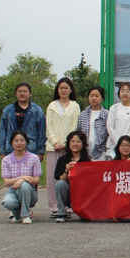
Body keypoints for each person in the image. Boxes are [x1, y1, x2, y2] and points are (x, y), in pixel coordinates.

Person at [45, 77, 80, 216]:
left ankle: (68, 207)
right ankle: (55, 207)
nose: (63, 90)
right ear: (57, 90)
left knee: (69, 177)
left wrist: (67, 143)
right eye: (61, 88)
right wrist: (54, 142)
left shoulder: (75, 106)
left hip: (68, 148)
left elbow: (74, 126)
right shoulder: (52, 106)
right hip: (52, 147)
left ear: (71, 90)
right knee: (52, 178)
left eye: (66, 88)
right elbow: (49, 126)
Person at [0, 130, 41, 224]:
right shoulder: (6, 160)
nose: (19, 143)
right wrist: (23, 177)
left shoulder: (34, 158)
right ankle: (17, 214)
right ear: (11, 143)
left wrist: (22, 181)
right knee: (8, 202)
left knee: (24, 186)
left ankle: (25, 215)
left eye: (22, 140)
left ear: (26, 142)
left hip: (30, 192)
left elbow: (36, 180)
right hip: (13, 191)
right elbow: (6, 182)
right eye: (16, 141)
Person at [0, 82, 46, 161]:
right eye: (19, 91)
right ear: (16, 93)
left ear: (30, 93)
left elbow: (41, 131)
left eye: (25, 91)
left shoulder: (37, 110)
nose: (22, 94)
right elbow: (2, 131)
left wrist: (41, 151)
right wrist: (2, 151)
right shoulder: (8, 110)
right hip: (10, 149)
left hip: (31, 148)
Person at [53, 130, 91, 223]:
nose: (75, 144)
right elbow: (60, 178)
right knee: (60, 184)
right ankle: (62, 213)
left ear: (83, 144)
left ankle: (83, 211)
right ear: (68, 143)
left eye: (78, 141)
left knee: (84, 218)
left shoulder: (87, 161)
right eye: (72, 141)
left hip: (81, 194)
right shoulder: (62, 159)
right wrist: (67, 170)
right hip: (68, 192)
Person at [106, 82, 130, 159]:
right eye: (122, 91)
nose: (125, 93)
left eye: (128, 91)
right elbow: (110, 127)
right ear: (119, 93)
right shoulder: (114, 108)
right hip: (114, 145)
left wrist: (125, 144)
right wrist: (119, 143)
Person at [77, 86, 109, 161]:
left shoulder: (107, 114)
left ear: (102, 98)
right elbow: (79, 130)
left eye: (97, 96)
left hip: (101, 151)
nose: (94, 98)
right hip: (85, 150)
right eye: (91, 96)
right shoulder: (83, 114)